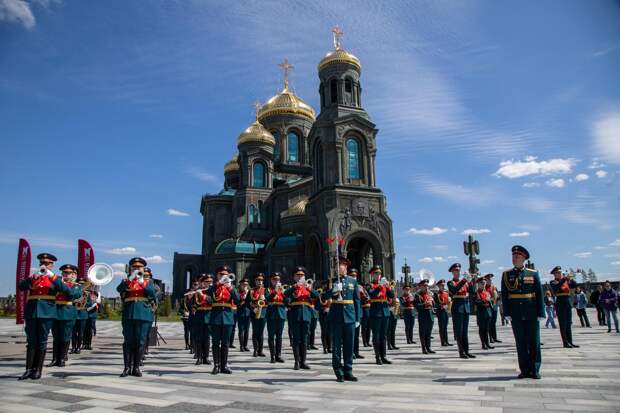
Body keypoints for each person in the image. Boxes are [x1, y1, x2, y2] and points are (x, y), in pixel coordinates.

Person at [18, 253, 71, 380]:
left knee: (42, 341)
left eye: (47, 263)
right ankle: (28, 369)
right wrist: (32, 278)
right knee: (31, 341)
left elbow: (66, 290)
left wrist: (52, 276)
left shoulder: (56, 278)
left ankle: (37, 370)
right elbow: (21, 287)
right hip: (32, 312)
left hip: (47, 313)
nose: (44, 265)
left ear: (52, 265)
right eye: (42, 262)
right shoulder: (34, 276)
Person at [501, 245, 545, 379]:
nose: (514, 258)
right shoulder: (506, 274)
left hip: (531, 311)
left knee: (534, 341)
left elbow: (539, 294)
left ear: (524, 258)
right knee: (520, 342)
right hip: (516, 313)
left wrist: (541, 312)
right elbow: (504, 295)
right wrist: (507, 313)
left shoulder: (533, 273)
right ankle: (524, 370)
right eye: (513, 256)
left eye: (517, 256)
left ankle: (535, 369)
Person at [321, 258, 361, 382]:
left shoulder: (353, 281)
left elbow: (357, 301)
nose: (339, 268)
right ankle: (338, 371)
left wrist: (357, 318)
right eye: (338, 266)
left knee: (349, 345)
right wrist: (332, 290)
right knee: (337, 346)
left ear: (346, 267)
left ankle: (348, 370)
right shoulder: (331, 281)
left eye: (342, 265)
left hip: (349, 317)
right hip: (336, 317)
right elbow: (323, 297)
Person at [116, 257, 156, 377]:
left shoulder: (148, 281)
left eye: (139, 267)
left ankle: (136, 367)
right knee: (128, 341)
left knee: (140, 341)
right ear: (131, 268)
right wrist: (129, 280)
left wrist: (141, 281)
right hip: (129, 314)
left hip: (143, 314)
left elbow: (152, 293)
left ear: (143, 269)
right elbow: (119, 289)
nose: (137, 269)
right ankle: (127, 367)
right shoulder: (127, 280)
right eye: (134, 267)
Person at [284, 266, 319, 370]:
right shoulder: (292, 287)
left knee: (304, 339)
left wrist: (309, 288)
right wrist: (294, 287)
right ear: (294, 277)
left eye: (301, 275)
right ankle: (296, 362)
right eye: (297, 275)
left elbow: (317, 296)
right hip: (295, 315)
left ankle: (303, 361)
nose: (299, 277)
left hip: (306, 315)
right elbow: (285, 295)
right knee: (296, 339)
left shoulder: (307, 287)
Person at [48, 264, 81, 368]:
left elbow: (72, 294)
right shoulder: (56, 283)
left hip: (67, 312)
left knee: (65, 336)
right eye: (64, 273)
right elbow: (50, 292)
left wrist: (61, 284)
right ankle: (54, 359)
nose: (66, 275)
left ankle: (62, 358)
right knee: (56, 337)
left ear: (73, 274)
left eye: (68, 273)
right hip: (55, 312)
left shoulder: (76, 286)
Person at [207, 266, 239, 374]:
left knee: (225, 343)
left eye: (225, 274)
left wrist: (229, 287)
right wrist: (218, 284)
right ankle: (216, 365)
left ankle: (224, 365)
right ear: (217, 275)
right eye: (221, 274)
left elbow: (238, 299)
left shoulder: (231, 287)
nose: (223, 276)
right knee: (215, 343)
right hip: (216, 318)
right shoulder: (214, 287)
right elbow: (208, 293)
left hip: (228, 318)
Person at [447, 263, 476, 359]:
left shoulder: (465, 282)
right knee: (459, 331)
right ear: (452, 272)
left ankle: (467, 351)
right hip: (457, 306)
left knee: (465, 331)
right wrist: (464, 280)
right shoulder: (450, 282)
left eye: (459, 270)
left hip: (465, 307)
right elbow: (454, 290)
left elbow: (472, 292)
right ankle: (461, 352)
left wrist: (470, 281)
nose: (458, 272)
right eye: (456, 270)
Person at [368, 265, 395, 365]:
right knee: (376, 335)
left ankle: (384, 356)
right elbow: (372, 294)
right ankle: (377, 357)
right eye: (376, 273)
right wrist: (379, 286)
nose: (379, 275)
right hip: (376, 312)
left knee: (384, 335)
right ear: (372, 274)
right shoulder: (370, 285)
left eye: (379, 273)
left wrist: (388, 287)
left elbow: (391, 295)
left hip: (385, 311)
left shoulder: (384, 285)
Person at [549, 266, 579, 348]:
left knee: (568, 323)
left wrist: (570, 278)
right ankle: (565, 343)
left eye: (560, 272)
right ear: (554, 274)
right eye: (558, 273)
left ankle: (570, 341)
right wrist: (564, 279)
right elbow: (556, 288)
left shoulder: (565, 281)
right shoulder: (553, 282)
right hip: (560, 303)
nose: (560, 274)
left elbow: (574, 285)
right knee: (563, 324)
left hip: (567, 302)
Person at [265, 272, 286, 363]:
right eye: (274, 279)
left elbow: (288, 301)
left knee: (279, 337)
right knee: (271, 336)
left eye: (278, 279)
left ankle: (278, 355)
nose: (276, 281)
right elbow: (267, 299)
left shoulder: (283, 290)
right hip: (271, 315)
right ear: (271, 280)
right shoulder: (268, 290)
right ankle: (272, 356)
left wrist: (283, 293)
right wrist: (275, 292)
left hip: (281, 314)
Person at [193, 274, 213, 365]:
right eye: (206, 282)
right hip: (199, 316)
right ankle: (199, 357)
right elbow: (193, 304)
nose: (208, 284)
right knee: (199, 338)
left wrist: (203, 296)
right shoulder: (197, 291)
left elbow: (212, 301)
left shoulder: (212, 291)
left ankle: (206, 357)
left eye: (210, 282)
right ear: (202, 283)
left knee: (207, 338)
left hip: (209, 315)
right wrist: (191, 298)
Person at [414, 279, 435, 354]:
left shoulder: (429, 294)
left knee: (428, 332)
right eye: (424, 286)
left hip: (430, 314)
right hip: (423, 315)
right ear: (420, 286)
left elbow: (434, 304)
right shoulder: (417, 295)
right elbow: (416, 305)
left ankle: (428, 347)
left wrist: (432, 302)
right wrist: (424, 304)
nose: (426, 287)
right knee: (423, 332)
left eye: (427, 285)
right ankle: (424, 348)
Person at [71, 278, 90, 354]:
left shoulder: (87, 294)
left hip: (82, 314)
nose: (81, 285)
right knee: (73, 332)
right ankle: (73, 347)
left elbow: (90, 303)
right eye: (80, 283)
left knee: (81, 332)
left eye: (83, 284)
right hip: (74, 313)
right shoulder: (74, 292)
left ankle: (78, 347)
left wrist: (84, 304)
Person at [474, 277, 494, 350]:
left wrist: (490, 301)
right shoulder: (477, 293)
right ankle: (483, 344)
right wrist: (485, 300)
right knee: (482, 329)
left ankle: (487, 343)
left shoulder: (487, 292)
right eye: (482, 283)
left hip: (488, 312)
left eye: (484, 283)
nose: (483, 284)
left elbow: (491, 301)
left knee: (487, 329)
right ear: (478, 284)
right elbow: (476, 302)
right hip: (481, 313)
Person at [250, 274, 267, 356]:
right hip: (254, 313)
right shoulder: (251, 291)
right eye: (258, 280)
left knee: (261, 332)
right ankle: (255, 350)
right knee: (255, 332)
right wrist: (253, 309)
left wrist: (265, 299)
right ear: (255, 281)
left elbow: (270, 301)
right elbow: (247, 303)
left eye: (261, 280)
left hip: (263, 313)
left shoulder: (265, 290)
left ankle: (260, 350)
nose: (260, 282)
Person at [433, 280, 451, 346]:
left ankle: (446, 341)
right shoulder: (436, 294)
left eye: (444, 285)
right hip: (440, 311)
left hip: (445, 311)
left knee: (445, 327)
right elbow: (437, 303)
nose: (443, 287)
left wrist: (448, 303)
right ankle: (443, 342)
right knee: (442, 327)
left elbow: (447, 302)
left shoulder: (446, 293)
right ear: (438, 286)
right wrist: (443, 305)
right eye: (442, 285)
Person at [236, 278, 252, 353]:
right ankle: (241, 346)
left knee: (247, 330)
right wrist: (244, 298)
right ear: (240, 285)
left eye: (246, 285)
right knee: (241, 330)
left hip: (248, 313)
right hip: (240, 313)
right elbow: (237, 302)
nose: (245, 286)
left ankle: (245, 345)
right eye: (243, 285)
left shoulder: (250, 292)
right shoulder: (237, 292)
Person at [485, 274, 501, 343]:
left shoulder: (494, 287)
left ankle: (495, 337)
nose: (490, 280)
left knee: (493, 323)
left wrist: (497, 299)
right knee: (489, 323)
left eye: (491, 279)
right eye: (488, 279)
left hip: (494, 306)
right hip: (488, 306)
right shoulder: (484, 288)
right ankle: (490, 338)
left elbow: (498, 296)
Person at [318, 279, 332, 354]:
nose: (326, 286)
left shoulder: (332, 293)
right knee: (324, 331)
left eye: (328, 284)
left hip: (331, 313)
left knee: (330, 331)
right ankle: (325, 348)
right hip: (323, 313)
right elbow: (320, 303)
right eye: (325, 285)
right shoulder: (321, 293)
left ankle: (330, 347)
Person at [359, 283, 371, 347]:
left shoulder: (367, 293)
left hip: (369, 311)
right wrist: (365, 305)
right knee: (364, 328)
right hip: (363, 311)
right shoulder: (360, 293)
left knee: (369, 328)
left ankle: (368, 341)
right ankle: (365, 342)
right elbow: (359, 303)